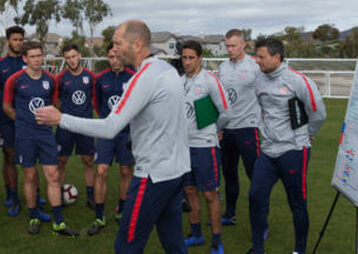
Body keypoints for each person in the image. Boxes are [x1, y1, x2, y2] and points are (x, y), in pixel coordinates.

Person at [36, 20, 190, 254]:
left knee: (126, 247)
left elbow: (110, 127)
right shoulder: (166, 70)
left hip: (153, 176)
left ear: (137, 44)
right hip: (176, 172)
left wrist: (60, 119)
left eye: (118, 43)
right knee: (173, 244)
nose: (115, 49)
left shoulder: (144, 77)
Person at [246, 38, 326, 254]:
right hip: (268, 151)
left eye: (262, 57)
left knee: (297, 202)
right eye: (257, 56)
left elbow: (318, 112)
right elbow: (263, 109)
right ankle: (257, 248)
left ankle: (299, 250)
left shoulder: (297, 80)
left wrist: (305, 135)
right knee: (255, 195)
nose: (257, 61)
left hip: (293, 151)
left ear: (276, 57)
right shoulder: (259, 80)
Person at [3, 42, 79, 237]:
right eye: (33, 56)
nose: (38, 59)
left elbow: (55, 103)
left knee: (53, 175)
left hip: (45, 134)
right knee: (29, 177)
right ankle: (33, 216)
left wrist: (51, 118)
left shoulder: (50, 80)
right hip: (25, 134)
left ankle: (59, 222)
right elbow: (6, 106)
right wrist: (21, 121)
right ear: (25, 58)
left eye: (40, 55)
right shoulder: (15, 80)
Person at [181, 40, 230, 254]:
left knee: (210, 194)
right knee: (190, 191)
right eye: (184, 57)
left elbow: (226, 111)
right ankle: (196, 234)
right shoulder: (179, 81)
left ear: (200, 58)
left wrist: (215, 129)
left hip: (205, 146)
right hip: (184, 146)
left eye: (191, 58)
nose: (187, 62)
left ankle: (217, 240)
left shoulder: (209, 81)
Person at [87, 43, 135, 236]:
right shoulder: (101, 79)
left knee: (125, 171)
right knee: (101, 171)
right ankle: (99, 216)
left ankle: (121, 211)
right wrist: (108, 122)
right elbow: (97, 103)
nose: (115, 60)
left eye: (118, 56)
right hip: (107, 131)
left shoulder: (133, 77)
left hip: (127, 132)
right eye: (111, 57)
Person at [0, 26, 38, 216]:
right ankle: (12, 195)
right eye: (15, 39)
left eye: (21, 39)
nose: (18, 43)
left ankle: (35, 192)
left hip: (28, 119)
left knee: (30, 158)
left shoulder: (30, 63)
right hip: (6, 119)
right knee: (9, 156)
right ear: (7, 41)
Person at [218, 29, 261, 225]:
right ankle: (230, 214)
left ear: (244, 44)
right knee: (229, 174)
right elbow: (219, 99)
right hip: (226, 130)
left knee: (255, 176)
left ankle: (261, 222)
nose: (230, 49)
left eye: (234, 45)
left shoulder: (255, 66)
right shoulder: (223, 67)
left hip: (248, 128)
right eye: (227, 45)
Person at [53, 44, 96, 209]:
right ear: (65, 59)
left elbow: (94, 98)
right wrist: (63, 114)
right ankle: (59, 194)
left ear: (79, 55)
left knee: (88, 161)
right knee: (61, 161)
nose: (71, 60)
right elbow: (55, 100)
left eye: (74, 56)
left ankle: (91, 196)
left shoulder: (90, 76)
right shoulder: (61, 78)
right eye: (68, 58)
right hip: (66, 126)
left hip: (86, 125)